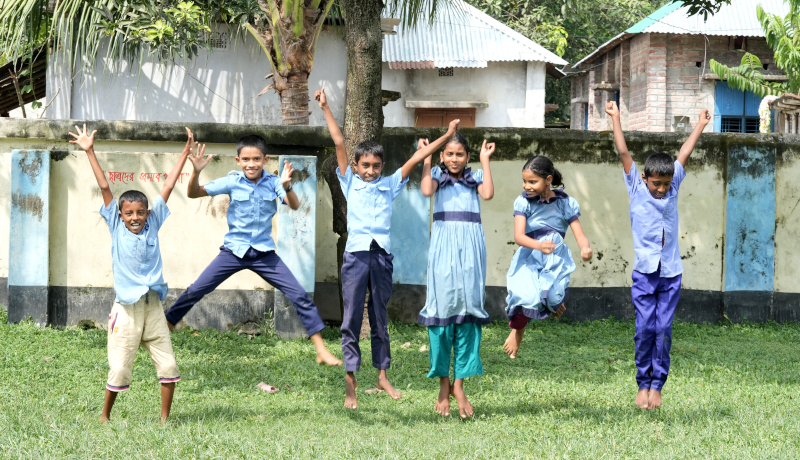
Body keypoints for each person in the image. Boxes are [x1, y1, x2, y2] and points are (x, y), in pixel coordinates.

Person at [315, 87, 459, 410]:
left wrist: (447, 134)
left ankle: (381, 374)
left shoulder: (390, 185)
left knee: (380, 318)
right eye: (365, 165)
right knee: (351, 318)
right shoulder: (349, 182)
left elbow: (418, 158)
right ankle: (351, 383)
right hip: (355, 257)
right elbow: (339, 142)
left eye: (376, 165)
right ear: (355, 165)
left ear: (382, 166)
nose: (370, 170)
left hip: (381, 258)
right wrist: (325, 107)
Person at [162, 133, 342, 367]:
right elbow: (193, 192)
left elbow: (295, 205)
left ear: (265, 160)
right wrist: (195, 171)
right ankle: (163, 331)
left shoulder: (275, 182)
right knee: (196, 289)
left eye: (256, 159)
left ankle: (321, 351)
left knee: (299, 294)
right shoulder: (232, 181)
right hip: (233, 252)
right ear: (238, 161)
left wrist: (287, 186)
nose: (251, 164)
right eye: (246, 159)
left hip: (263, 254)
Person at [69, 123, 193, 423]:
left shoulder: (153, 222)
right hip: (126, 310)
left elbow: (168, 186)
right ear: (120, 215)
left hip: (153, 308)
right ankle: (105, 416)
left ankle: (165, 420)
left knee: (168, 367)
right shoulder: (115, 224)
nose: (135, 218)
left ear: (147, 214)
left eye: (140, 212)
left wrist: (185, 152)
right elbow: (104, 187)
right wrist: (90, 151)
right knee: (121, 368)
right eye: (129, 213)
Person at [605, 100, 710, 410]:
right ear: (645, 179)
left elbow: (684, 154)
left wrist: (700, 126)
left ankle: (657, 385)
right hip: (644, 273)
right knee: (644, 328)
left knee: (663, 328)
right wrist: (616, 118)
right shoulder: (636, 188)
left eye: (666, 184)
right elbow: (624, 153)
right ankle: (642, 385)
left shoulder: (674, 186)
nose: (662, 190)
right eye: (657, 184)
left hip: (671, 273)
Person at [418, 133, 495, 419]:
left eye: (459, 154)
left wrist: (485, 161)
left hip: (472, 248)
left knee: (469, 309)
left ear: (467, 157)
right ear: (442, 156)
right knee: (441, 310)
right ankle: (443, 384)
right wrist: (426, 159)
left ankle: (460, 385)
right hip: (443, 247)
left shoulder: (475, 178)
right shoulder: (437, 174)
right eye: (448, 154)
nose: (454, 159)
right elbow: (426, 190)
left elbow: (487, 194)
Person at [503, 156, 593, 359]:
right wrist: (538, 245)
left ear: (548, 179)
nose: (527, 186)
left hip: (555, 259)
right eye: (524, 181)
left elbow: (579, 233)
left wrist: (585, 248)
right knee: (527, 297)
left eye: (532, 181)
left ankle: (554, 300)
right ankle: (518, 330)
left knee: (552, 299)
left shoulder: (565, 203)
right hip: (530, 255)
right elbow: (518, 236)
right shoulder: (523, 202)